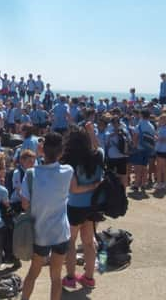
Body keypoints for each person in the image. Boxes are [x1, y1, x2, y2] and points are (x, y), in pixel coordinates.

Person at [21, 132, 72, 300]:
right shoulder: (68, 171)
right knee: (55, 276)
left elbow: (25, 204)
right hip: (60, 232)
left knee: (33, 273)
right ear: (61, 152)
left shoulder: (31, 174)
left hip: (39, 232)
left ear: (41, 149)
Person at [61, 123, 104, 291]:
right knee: (88, 242)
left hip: (75, 206)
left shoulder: (70, 162)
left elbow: (74, 189)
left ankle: (70, 277)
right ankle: (89, 277)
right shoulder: (98, 156)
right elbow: (98, 146)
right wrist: (92, 132)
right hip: (92, 205)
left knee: (71, 242)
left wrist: (89, 186)